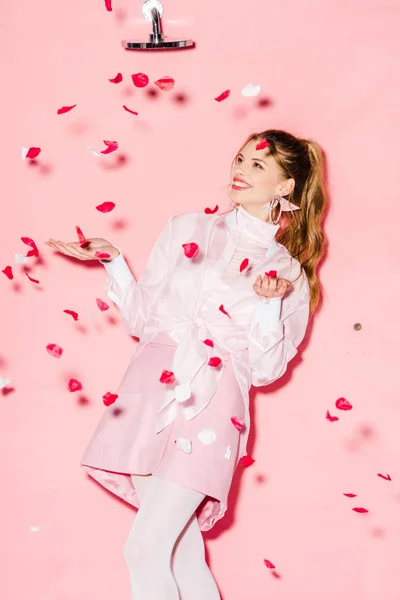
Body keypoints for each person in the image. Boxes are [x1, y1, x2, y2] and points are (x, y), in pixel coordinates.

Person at [45, 129, 327, 599]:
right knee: (180, 553)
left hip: (213, 404)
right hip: (147, 388)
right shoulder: (185, 228)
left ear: (284, 187)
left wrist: (267, 305)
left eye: (257, 166)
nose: (240, 169)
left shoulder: (285, 270)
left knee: (144, 550)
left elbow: (265, 368)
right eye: (240, 158)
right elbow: (143, 319)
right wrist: (114, 262)